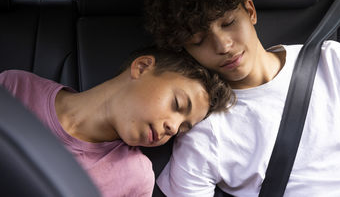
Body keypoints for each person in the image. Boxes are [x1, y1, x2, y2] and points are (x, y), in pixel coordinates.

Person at [144, 0, 340, 197]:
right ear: (186, 51)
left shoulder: (332, 61)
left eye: (229, 23)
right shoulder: (203, 128)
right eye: (198, 41)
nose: (223, 45)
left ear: (250, 11)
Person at [0, 46, 234, 197]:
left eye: (182, 128)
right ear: (142, 67)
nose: (173, 127)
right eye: (177, 104)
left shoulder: (135, 176)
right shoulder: (15, 88)